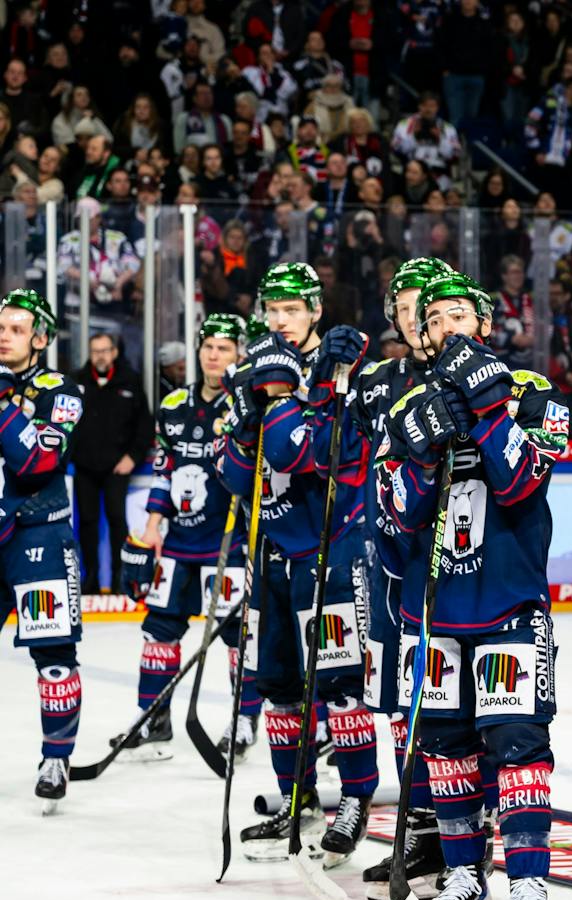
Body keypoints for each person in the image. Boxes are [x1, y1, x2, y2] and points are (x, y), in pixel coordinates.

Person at [375, 269, 569, 900]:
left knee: (518, 740)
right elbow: (395, 517)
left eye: (460, 314)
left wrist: (488, 409)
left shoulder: (533, 393)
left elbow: (521, 483)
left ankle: (529, 877)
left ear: (481, 325)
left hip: (510, 600)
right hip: (439, 609)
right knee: (446, 744)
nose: (448, 327)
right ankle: (463, 872)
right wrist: (423, 458)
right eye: (433, 320)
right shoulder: (406, 407)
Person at [216, 262, 379, 866]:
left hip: (329, 550)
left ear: (314, 310)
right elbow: (234, 477)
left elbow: (316, 456)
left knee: (339, 686)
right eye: (272, 309)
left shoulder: (339, 362)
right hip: (272, 556)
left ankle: (356, 799)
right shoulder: (249, 374)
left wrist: (297, 396)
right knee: (280, 687)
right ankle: (295, 797)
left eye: (292, 309)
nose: (280, 320)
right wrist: (248, 422)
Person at [351, 257, 455, 900]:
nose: (420, 318)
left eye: (433, 306)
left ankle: (461, 827)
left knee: (449, 703)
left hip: (448, 567)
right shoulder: (376, 380)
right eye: (409, 305)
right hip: (382, 562)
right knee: (393, 698)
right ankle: (418, 827)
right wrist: (329, 377)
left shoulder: (467, 380)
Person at [112, 314, 261, 763]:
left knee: (238, 636)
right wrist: (154, 524)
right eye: (208, 347)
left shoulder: (249, 406)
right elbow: (163, 470)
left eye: (225, 348)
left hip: (229, 543)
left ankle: (244, 720)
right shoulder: (175, 403)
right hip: (178, 541)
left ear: (240, 355)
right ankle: (152, 717)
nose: (214, 356)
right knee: (159, 630)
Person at [0, 289, 86, 809]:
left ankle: (56, 755)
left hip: (38, 536)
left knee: (53, 656)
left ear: (39, 338)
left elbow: (37, 465)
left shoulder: (61, 390)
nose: (2, 335)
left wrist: (5, 407)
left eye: (14, 328)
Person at [72, 330, 151, 593]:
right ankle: (91, 579)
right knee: (87, 522)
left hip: (118, 466)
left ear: (114, 352)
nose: (100, 356)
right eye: (96, 351)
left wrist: (133, 457)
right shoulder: (77, 381)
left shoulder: (130, 381)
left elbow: (144, 426)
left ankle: (120, 579)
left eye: (105, 351)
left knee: (118, 520)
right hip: (85, 467)